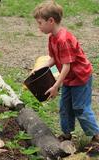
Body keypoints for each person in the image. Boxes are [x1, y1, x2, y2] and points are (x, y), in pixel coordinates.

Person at [32, 1, 99, 147]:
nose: (39, 27)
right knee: (65, 106)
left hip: (80, 77)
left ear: (51, 21)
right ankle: (67, 134)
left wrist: (56, 85)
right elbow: (52, 59)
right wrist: (38, 69)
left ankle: (96, 136)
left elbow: (66, 66)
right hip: (68, 78)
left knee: (80, 107)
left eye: (40, 23)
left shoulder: (64, 40)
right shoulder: (52, 37)